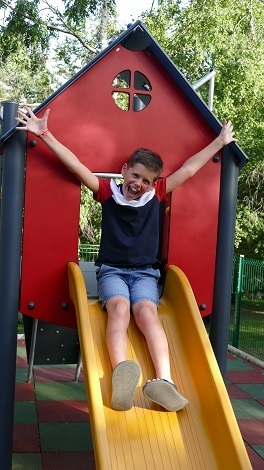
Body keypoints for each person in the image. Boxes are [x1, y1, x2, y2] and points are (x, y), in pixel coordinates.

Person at [16, 106, 237, 412]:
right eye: (135, 175)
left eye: (147, 180)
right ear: (124, 170)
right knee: (119, 309)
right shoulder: (108, 192)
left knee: (147, 312)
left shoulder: (156, 194)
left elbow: (187, 169)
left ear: (154, 182)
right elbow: (78, 168)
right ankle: (122, 373)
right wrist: (46, 134)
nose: (139, 184)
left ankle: (164, 382)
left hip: (146, 274)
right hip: (113, 272)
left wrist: (219, 142)